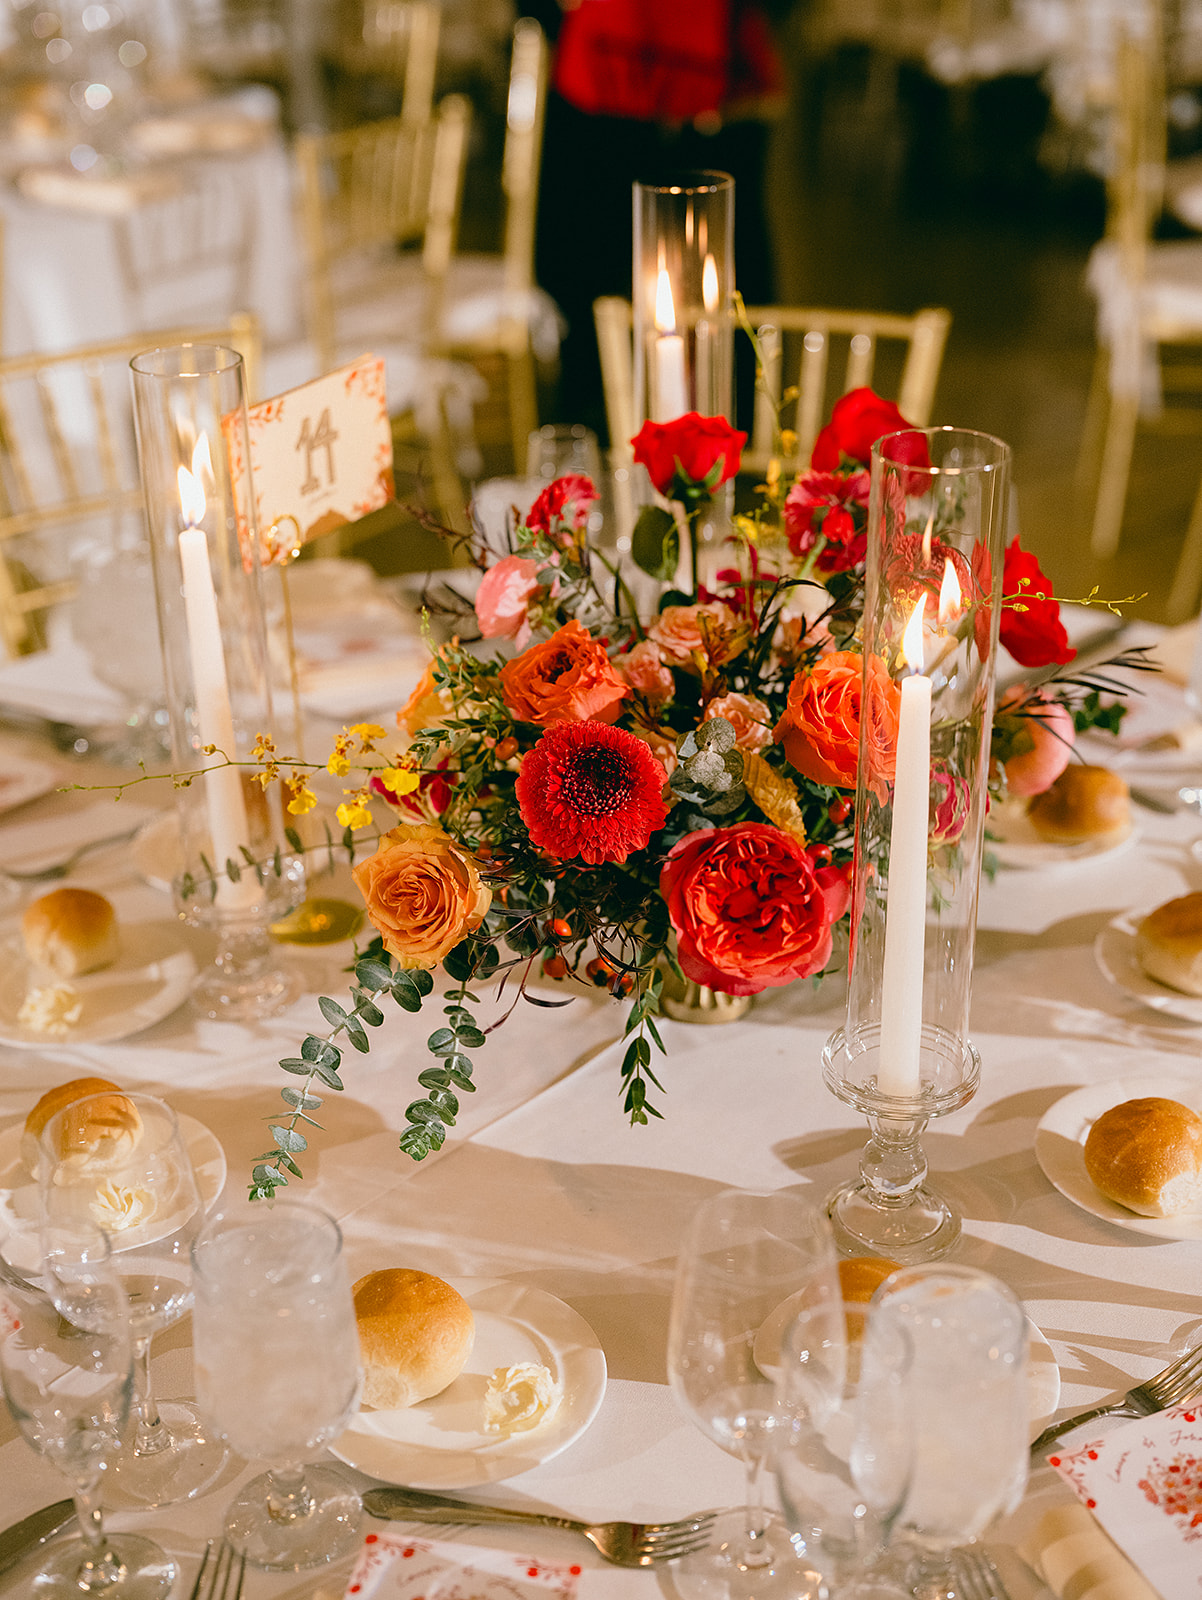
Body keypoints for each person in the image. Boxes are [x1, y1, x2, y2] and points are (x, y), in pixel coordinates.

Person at [523, 0, 791, 440]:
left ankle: (726, 432)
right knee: (597, 266)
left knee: (722, 262)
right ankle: (606, 434)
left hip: (708, 75)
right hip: (613, 62)